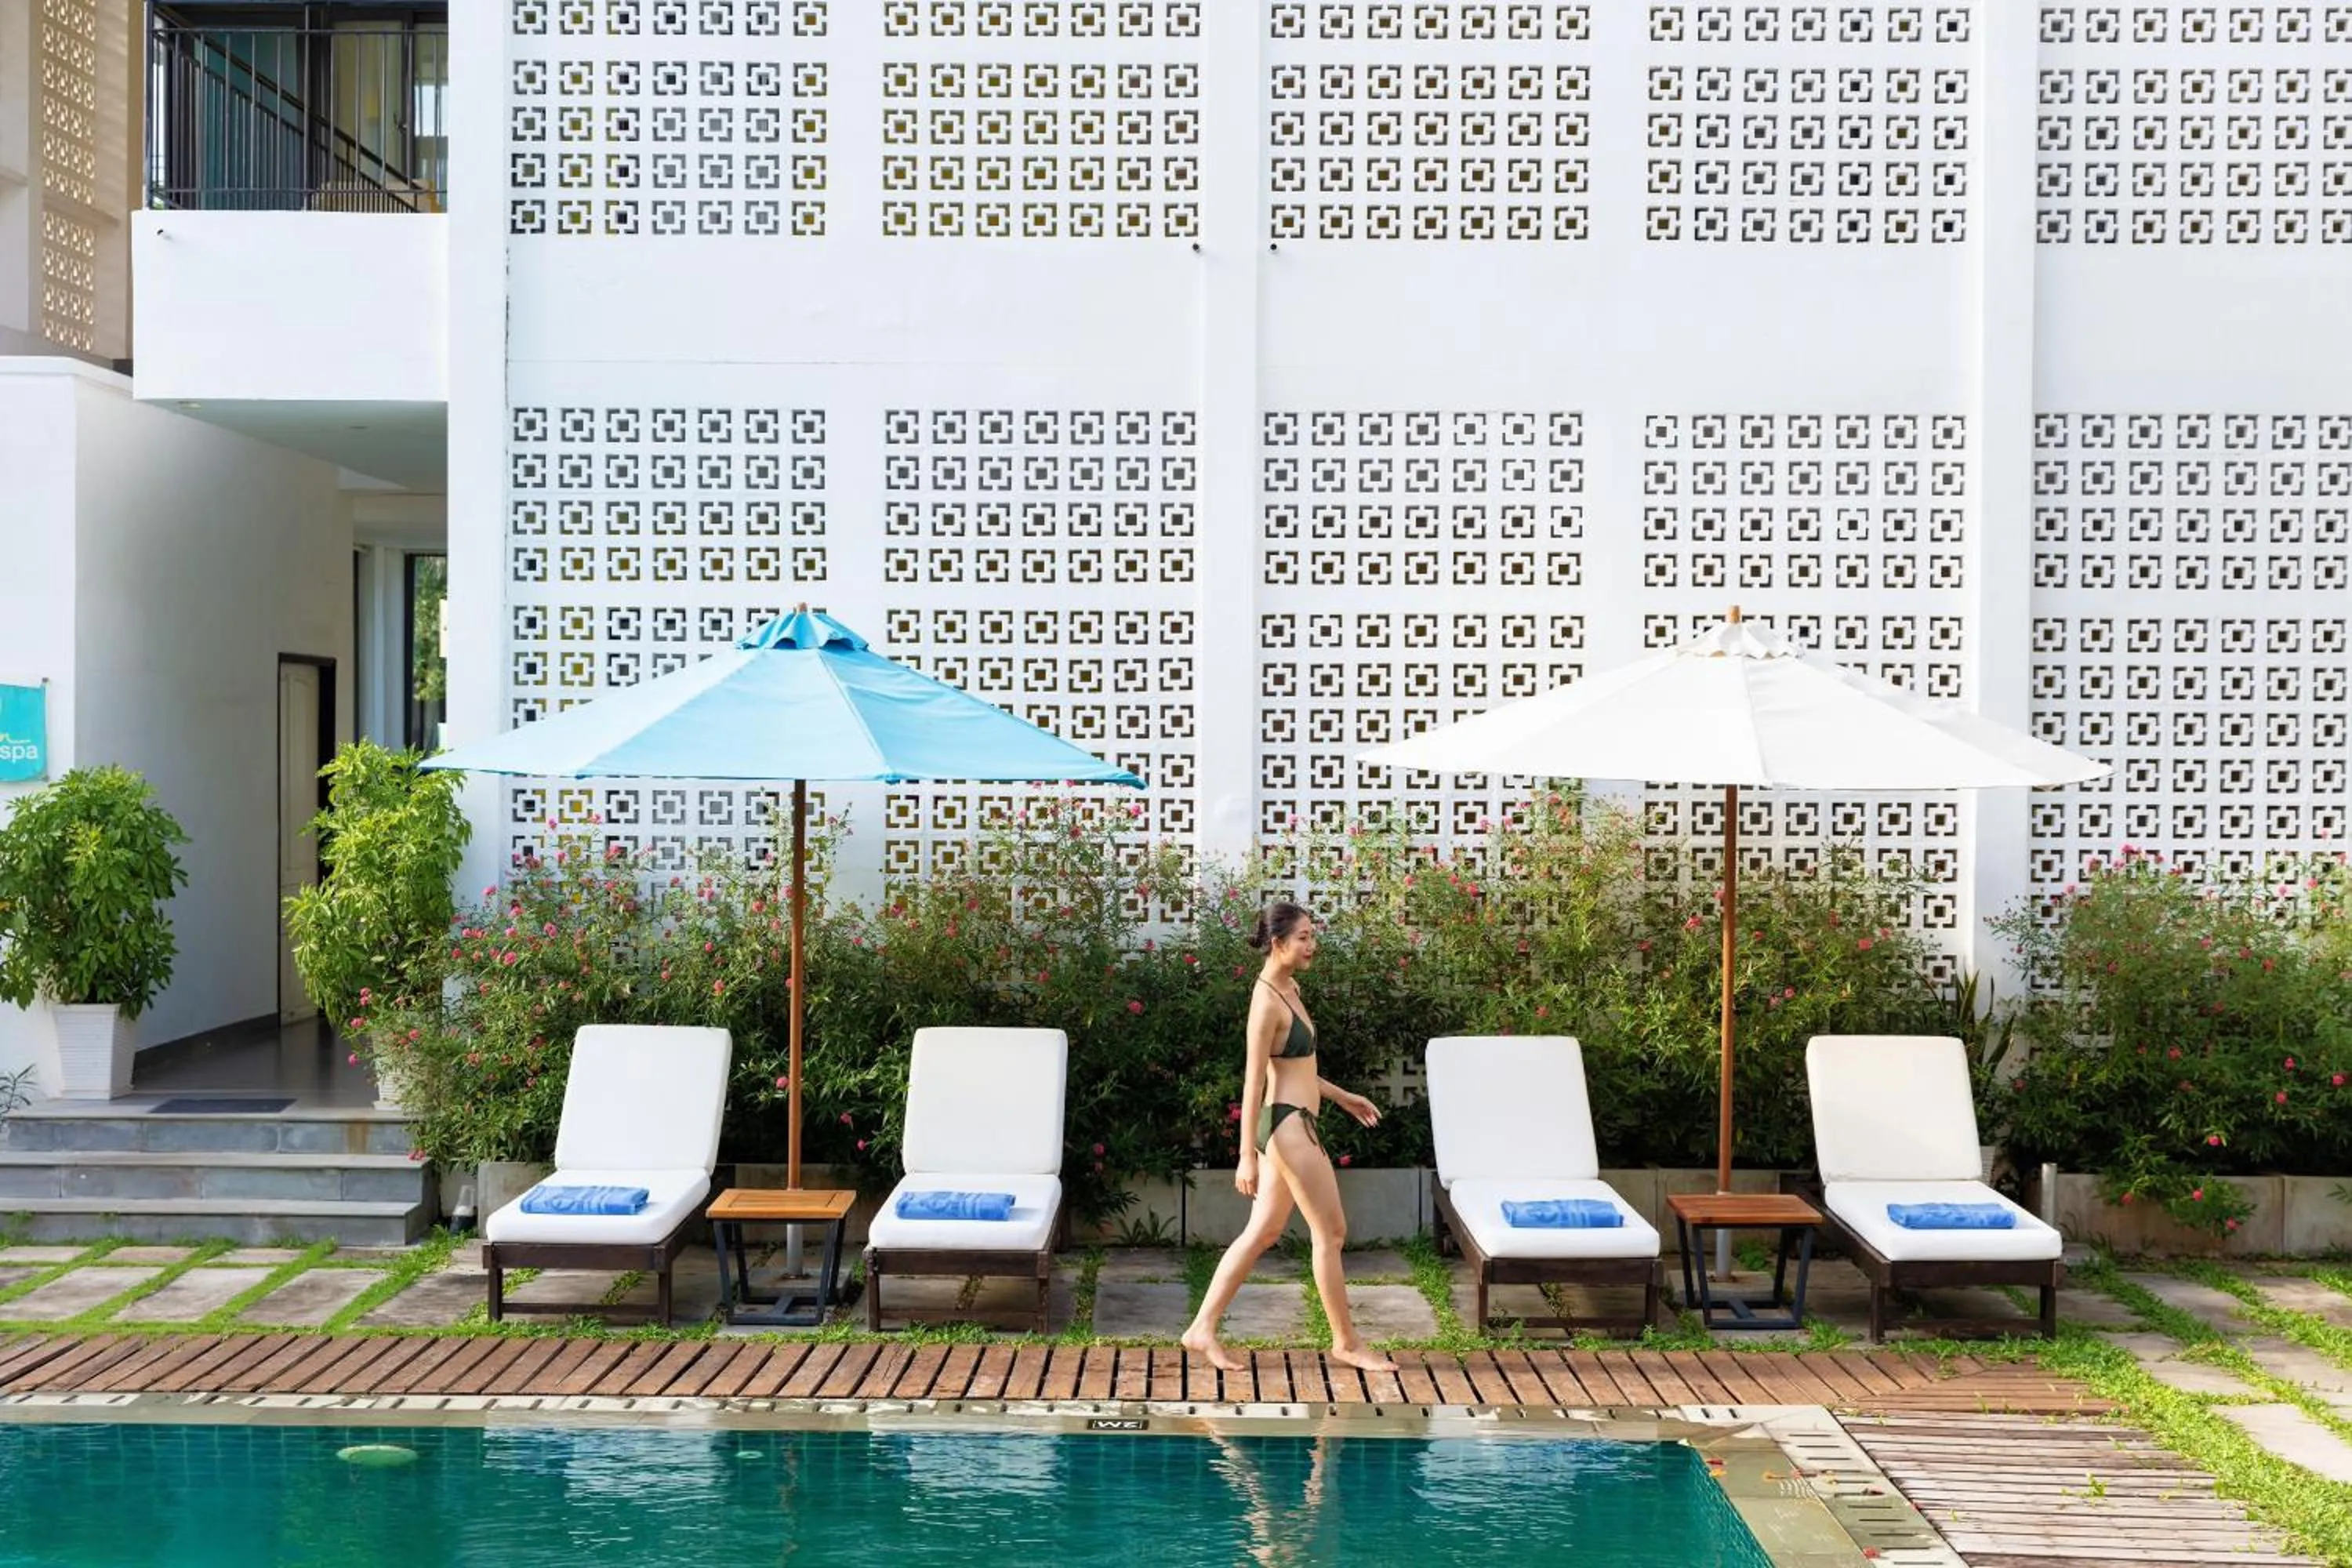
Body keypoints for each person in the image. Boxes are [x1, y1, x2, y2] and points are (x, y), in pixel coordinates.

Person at [1181, 902, 1399, 1374]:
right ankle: (1346, 1342)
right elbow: (1252, 1081)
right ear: (1278, 943)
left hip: (1297, 1119)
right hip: (1287, 1127)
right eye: (1303, 938)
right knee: (1332, 1232)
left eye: (1311, 936)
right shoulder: (1265, 1003)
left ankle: (1201, 1328)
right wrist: (1245, 1157)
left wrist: (1342, 1096)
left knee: (1263, 1232)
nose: (1311, 946)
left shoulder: (1290, 988)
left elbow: (1300, 1067)